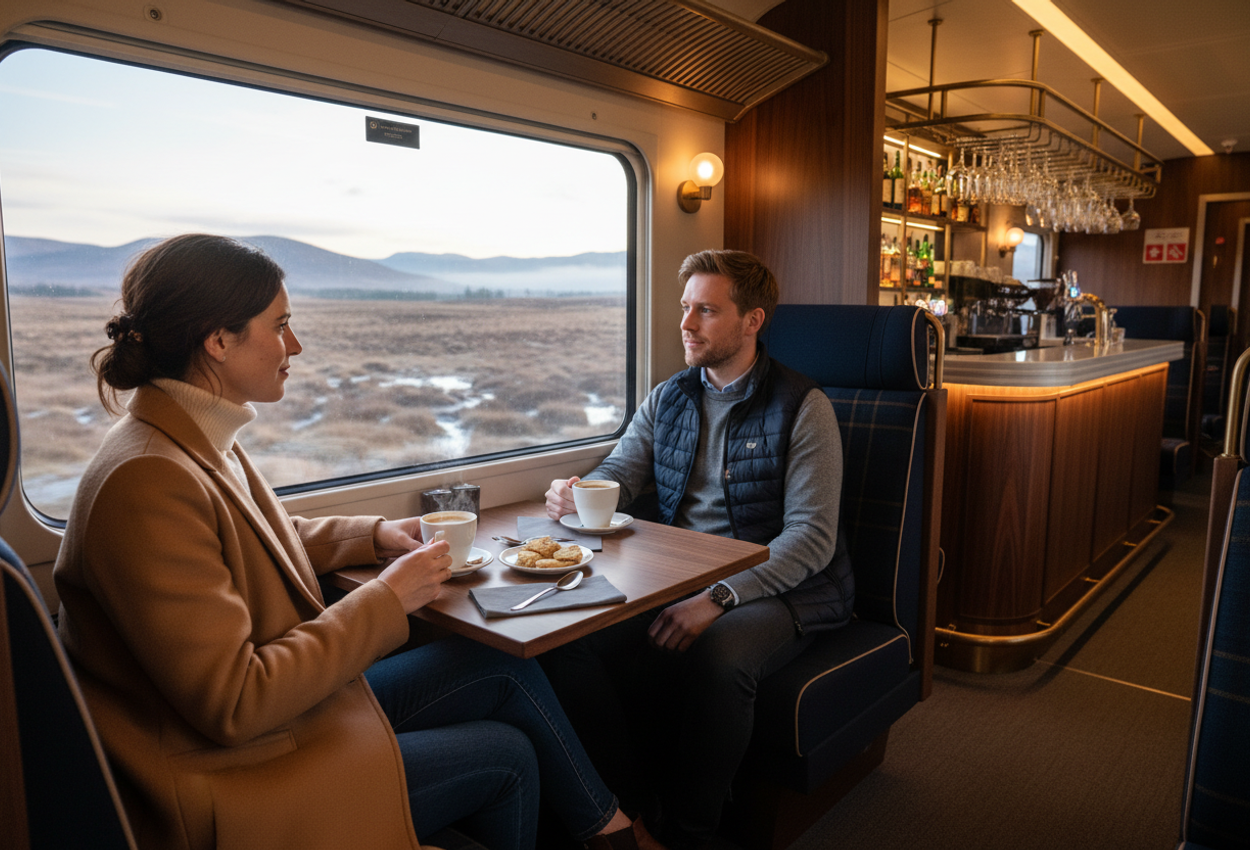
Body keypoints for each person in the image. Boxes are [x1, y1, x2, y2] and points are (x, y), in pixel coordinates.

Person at [52, 234, 662, 850]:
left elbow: (249, 536)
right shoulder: (148, 479)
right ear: (217, 340)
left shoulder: (193, 439)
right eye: (280, 325)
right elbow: (235, 702)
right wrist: (387, 601)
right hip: (228, 776)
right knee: (507, 755)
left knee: (499, 666)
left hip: (285, 724)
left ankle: (615, 834)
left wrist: (373, 536)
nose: (295, 345)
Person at [541, 249, 854, 850]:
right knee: (568, 641)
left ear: (752, 320)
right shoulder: (670, 397)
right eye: (686, 308)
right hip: (679, 574)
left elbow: (811, 539)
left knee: (719, 655)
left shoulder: (803, 407)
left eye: (706, 311)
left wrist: (719, 595)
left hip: (781, 585)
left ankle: (692, 834)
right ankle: (632, 814)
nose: (685, 324)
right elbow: (619, 474)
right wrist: (574, 491)